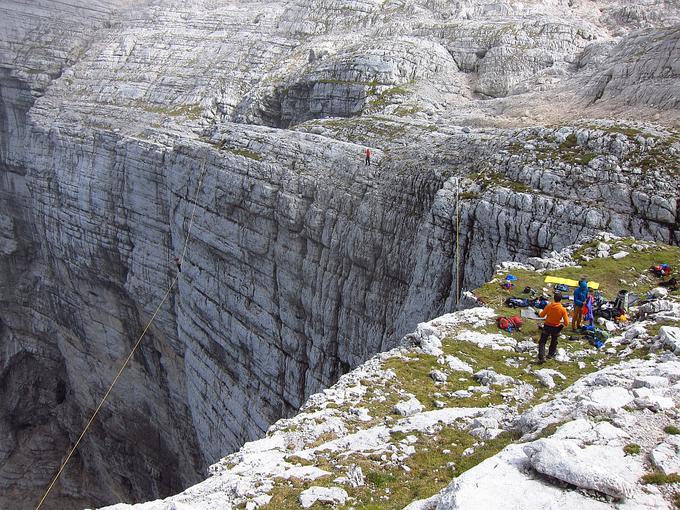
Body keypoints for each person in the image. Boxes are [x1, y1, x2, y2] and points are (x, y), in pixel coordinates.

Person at [537, 293, 569, 363]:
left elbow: (542, 315)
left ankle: (542, 356)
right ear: (561, 300)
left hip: (547, 326)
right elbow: (566, 323)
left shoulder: (549, 306)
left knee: (542, 341)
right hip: (556, 327)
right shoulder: (563, 309)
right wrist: (561, 322)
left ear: (554, 298)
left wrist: (540, 312)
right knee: (554, 341)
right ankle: (550, 354)